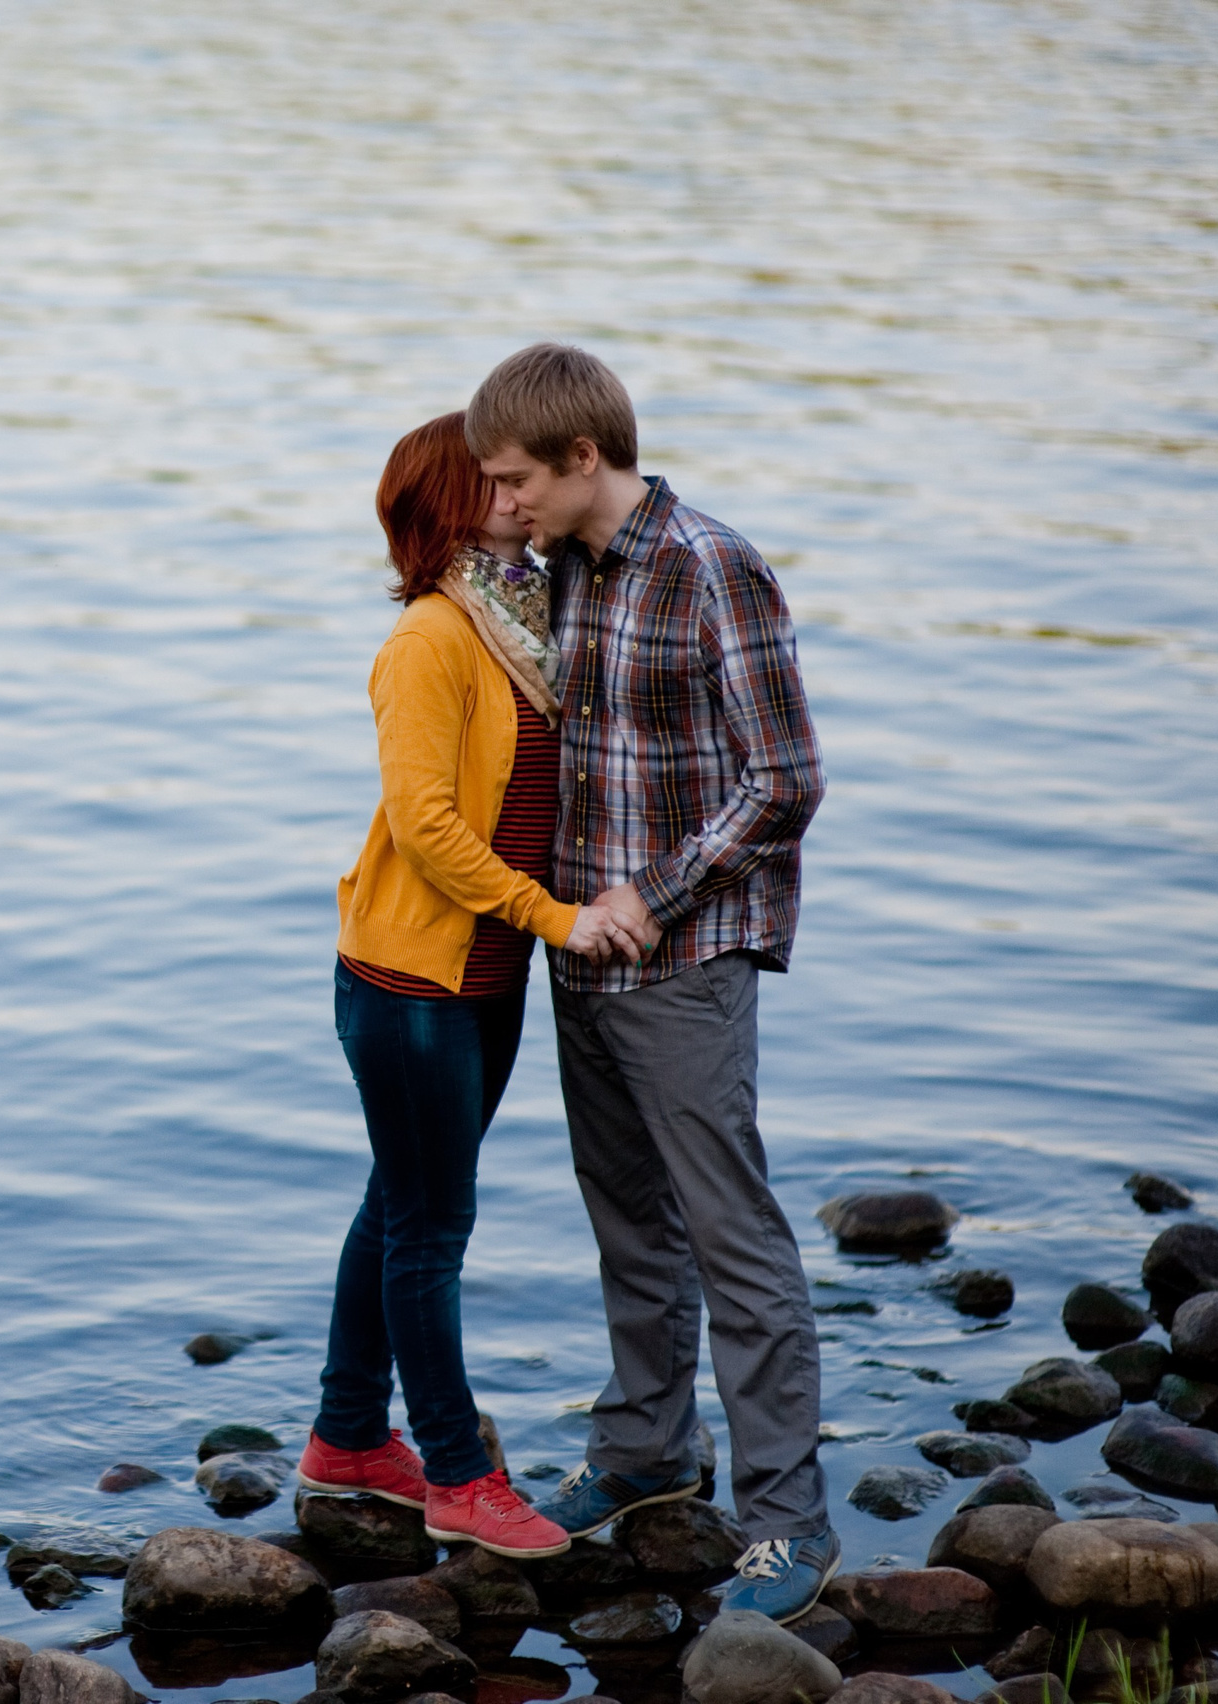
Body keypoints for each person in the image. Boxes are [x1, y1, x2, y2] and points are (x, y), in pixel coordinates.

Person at [469, 344, 838, 1620]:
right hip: (579, 956)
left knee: (732, 1239)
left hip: (682, 957)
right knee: (626, 1221)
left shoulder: (711, 568)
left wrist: (650, 893)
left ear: (584, 458)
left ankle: (788, 1523)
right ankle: (645, 1452)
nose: (498, 501)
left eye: (514, 478)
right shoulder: (545, 571)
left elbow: (784, 781)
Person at [294, 412, 643, 1558]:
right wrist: (558, 919)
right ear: (449, 497)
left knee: (399, 1201)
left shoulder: (523, 620)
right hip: (410, 983)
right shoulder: (432, 640)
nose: (510, 485)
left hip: (483, 975)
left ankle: (347, 1437)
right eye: (486, 476)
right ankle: (452, 1470)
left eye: (516, 473)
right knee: (431, 1226)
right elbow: (427, 826)